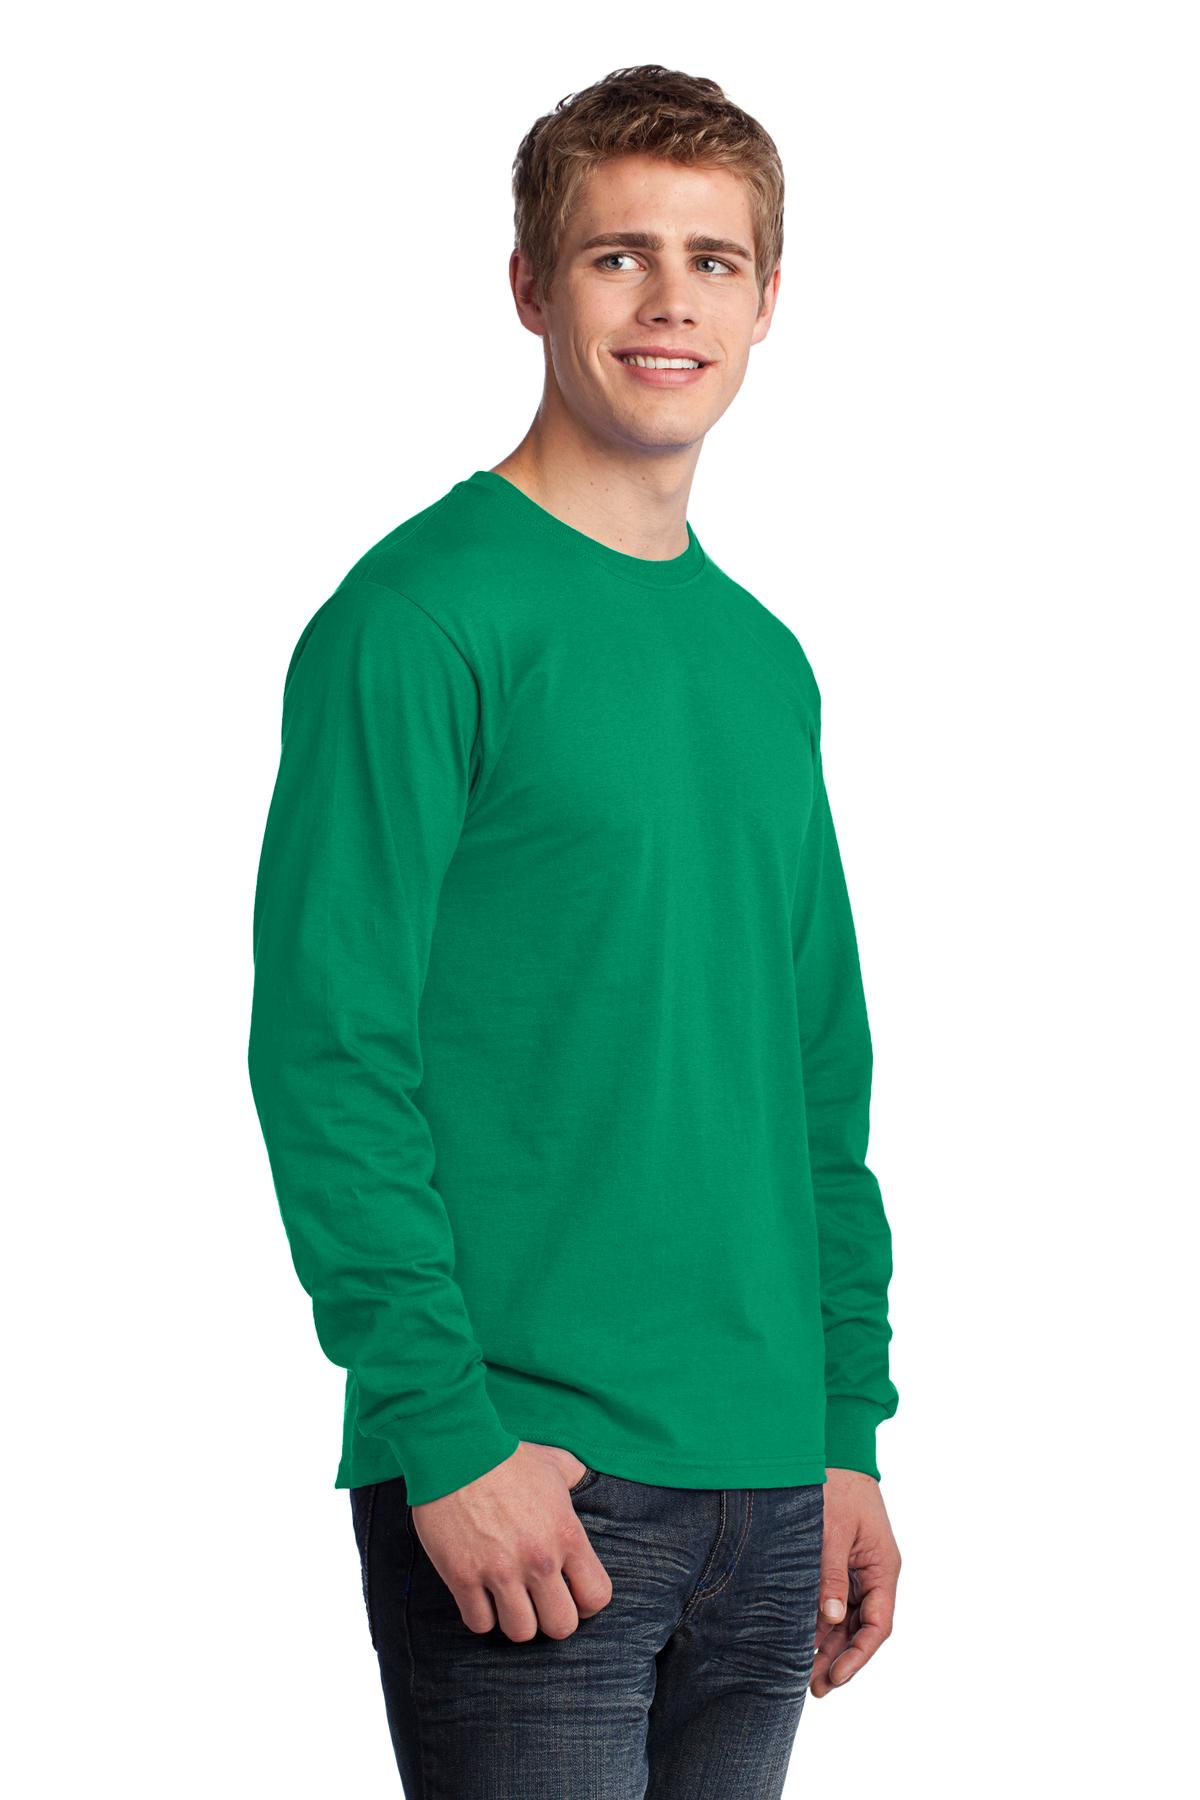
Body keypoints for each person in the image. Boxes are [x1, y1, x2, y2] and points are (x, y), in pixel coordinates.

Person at [247, 62, 901, 1799]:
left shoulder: (763, 662)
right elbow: (327, 1049)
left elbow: (813, 1080)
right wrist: (441, 1430)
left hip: (771, 1495)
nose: (670, 299)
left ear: (768, 299)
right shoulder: (418, 620)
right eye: (619, 255)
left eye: (712, 259)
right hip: (531, 1478)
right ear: (531, 287)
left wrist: (844, 1430)